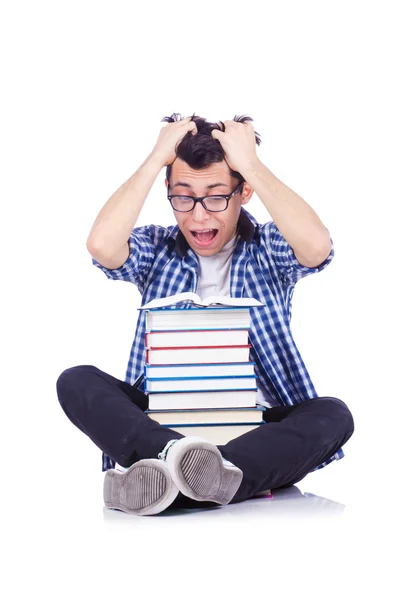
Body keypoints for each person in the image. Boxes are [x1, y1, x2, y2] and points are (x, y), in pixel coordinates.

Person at [56, 113, 354, 516]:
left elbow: (317, 248)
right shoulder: (156, 247)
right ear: (169, 192)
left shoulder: (268, 248)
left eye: (216, 197)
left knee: (333, 415)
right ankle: (188, 463)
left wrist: (251, 165)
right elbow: (103, 247)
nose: (198, 216)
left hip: (254, 428)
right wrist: (154, 158)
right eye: (183, 197)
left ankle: (187, 478)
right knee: (76, 381)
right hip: (163, 421)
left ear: (243, 192)